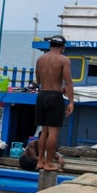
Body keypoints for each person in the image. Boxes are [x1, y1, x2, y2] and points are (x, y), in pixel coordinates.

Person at [34, 35, 74, 170]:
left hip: (42, 95)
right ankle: (49, 163)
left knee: (44, 131)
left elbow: (38, 80)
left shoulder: (40, 59)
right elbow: (68, 82)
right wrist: (71, 101)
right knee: (53, 131)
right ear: (62, 47)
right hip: (55, 96)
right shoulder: (64, 60)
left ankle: (40, 161)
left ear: (50, 45)